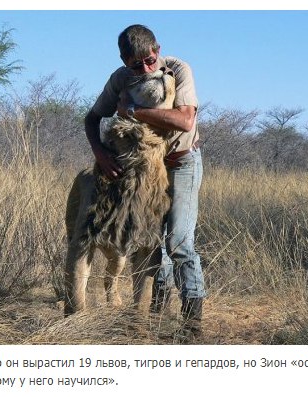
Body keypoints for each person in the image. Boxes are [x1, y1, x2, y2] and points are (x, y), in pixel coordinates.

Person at [84, 24, 206, 340]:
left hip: (180, 164)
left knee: (178, 242)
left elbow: (185, 120)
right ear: (125, 61)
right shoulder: (120, 79)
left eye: (151, 60)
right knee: (151, 243)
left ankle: (192, 328)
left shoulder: (178, 69)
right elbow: (92, 117)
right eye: (137, 65)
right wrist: (99, 153)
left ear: (158, 49)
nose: (147, 69)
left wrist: (134, 111)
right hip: (145, 170)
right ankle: (156, 319)